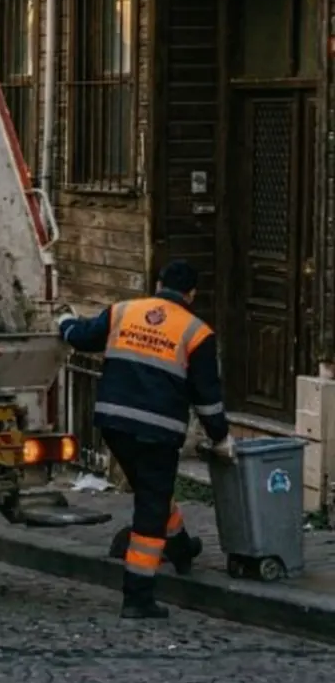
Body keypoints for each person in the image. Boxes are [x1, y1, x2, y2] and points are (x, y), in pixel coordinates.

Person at [57, 259, 234, 620]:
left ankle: (182, 547)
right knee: (151, 508)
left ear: (158, 284)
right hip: (158, 431)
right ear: (192, 294)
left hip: (114, 424)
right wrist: (221, 437)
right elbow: (207, 396)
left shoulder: (125, 311)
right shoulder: (197, 332)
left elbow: (83, 336)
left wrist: (64, 324)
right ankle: (138, 596)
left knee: (151, 488)